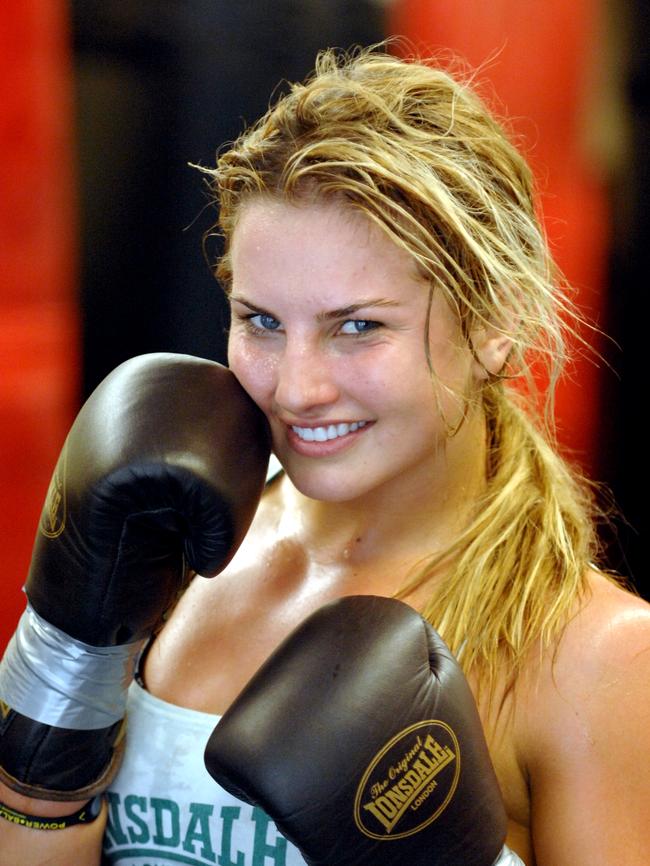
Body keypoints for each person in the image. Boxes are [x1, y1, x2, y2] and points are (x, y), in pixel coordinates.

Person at [1, 45, 649, 866]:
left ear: (497, 324)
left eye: (357, 326)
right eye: (262, 321)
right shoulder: (176, 541)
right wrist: (68, 660)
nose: (297, 389)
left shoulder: (597, 658)